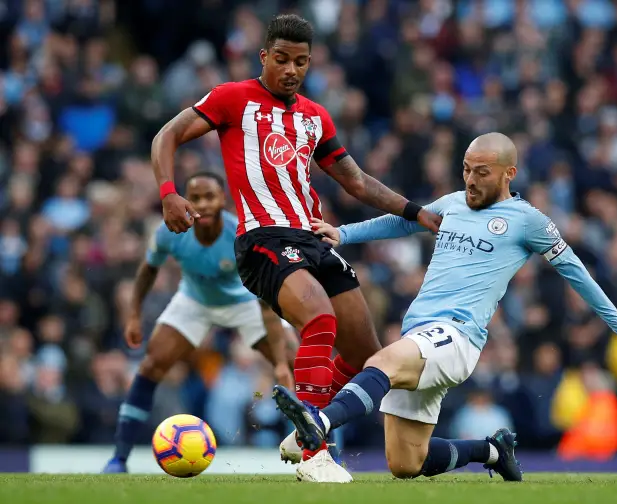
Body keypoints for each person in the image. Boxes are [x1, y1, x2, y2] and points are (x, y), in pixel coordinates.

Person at [273, 132, 617, 483]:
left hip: (458, 335)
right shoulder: (453, 203)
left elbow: (577, 274)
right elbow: (403, 221)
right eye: (466, 169)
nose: (470, 179)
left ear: (508, 173)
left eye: (482, 171)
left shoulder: (527, 220)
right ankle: (493, 451)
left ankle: (318, 423)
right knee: (406, 463)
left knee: (382, 361)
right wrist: (343, 233)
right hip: (421, 335)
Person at [149, 14, 441, 479]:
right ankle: (314, 453)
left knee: (367, 356)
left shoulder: (314, 115)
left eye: (301, 61)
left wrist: (415, 211)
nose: (291, 69)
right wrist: (168, 192)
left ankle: (308, 419)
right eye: (282, 59)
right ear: (264, 56)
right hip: (263, 240)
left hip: (314, 239)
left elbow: (357, 182)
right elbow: (167, 135)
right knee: (319, 318)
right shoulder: (232, 99)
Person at [103, 172, 294, 473]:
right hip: (195, 301)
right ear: (184, 201)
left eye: (210, 197)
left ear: (223, 201)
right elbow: (148, 270)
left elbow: (265, 301)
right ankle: (119, 458)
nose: (202, 204)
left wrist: (280, 363)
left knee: (297, 361)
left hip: (245, 301)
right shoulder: (169, 231)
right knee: (150, 366)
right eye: (195, 198)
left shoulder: (242, 235)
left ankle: (327, 453)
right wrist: (135, 315)